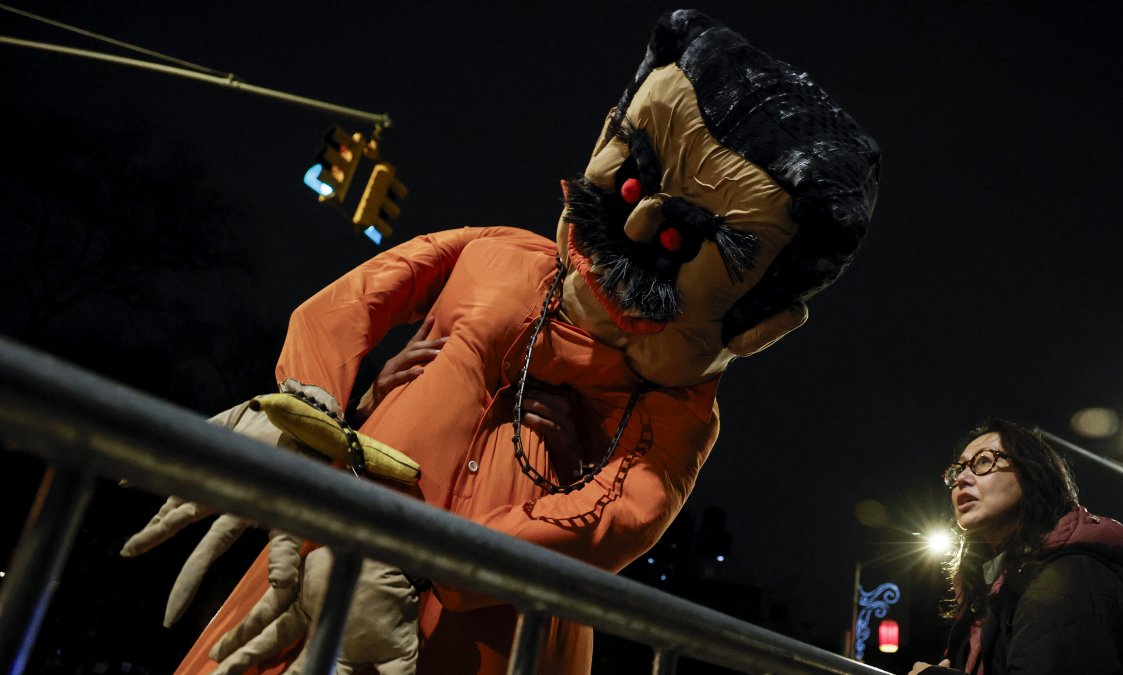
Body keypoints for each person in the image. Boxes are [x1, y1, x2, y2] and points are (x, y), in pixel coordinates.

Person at [125, 10, 881, 674]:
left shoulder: (680, 405)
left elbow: (620, 514)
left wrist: (424, 556)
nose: (641, 222)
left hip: (487, 622)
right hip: (333, 557)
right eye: (630, 185)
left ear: (761, 323)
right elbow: (352, 303)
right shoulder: (501, 252)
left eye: (685, 233)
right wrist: (311, 410)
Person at [910, 418, 1123, 675]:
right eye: (957, 470)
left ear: (1032, 473)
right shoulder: (994, 588)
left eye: (984, 461)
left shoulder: (1066, 578)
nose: (962, 478)